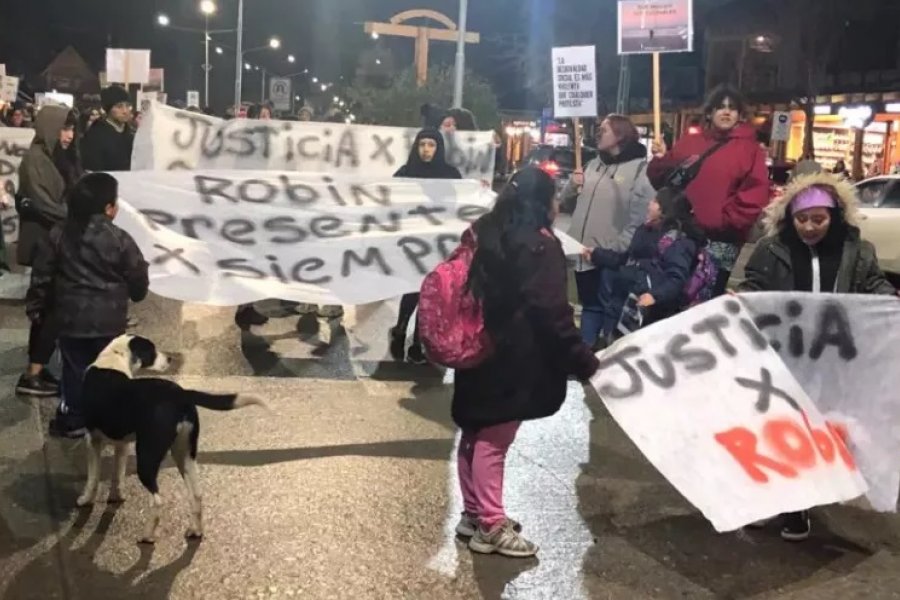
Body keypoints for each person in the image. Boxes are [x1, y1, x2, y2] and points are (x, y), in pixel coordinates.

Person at [738, 171, 896, 541]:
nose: (809, 227)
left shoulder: (857, 251)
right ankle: (767, 499)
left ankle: (797, 505)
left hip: (831, 362)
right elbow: (755, 286)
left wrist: (889, 300)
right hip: (781, 359)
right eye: (802, 219)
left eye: (819, 219)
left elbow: (872, 285)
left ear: (835, 216)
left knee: (811, 434)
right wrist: (741, 299)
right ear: (789, 217)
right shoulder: (771, 249)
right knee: (774, 428)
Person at [453, 167, 599, 558]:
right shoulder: (538, 245)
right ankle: (491, 525)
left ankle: (474, 513)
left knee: (475, 431)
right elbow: (552, 310)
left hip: (479, 346)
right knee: (494, 439)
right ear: (540, 202)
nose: (557, 204)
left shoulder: (487, 230)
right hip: (514, 357)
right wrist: (582, 359)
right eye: (553, 196)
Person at [26, 173, 149, 438]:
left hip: (70, 320)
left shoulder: (58, 234)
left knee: (73, 370)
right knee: (109, 369)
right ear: (108, 208)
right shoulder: (120, 238)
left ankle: (73, 419)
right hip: (110, 320)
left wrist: (36, 307)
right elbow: (137, 275)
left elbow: (42, 274)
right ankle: (109, 418)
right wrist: (137, 292)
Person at [648, 84, 769, 297]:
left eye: (732, 108)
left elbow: (754, 194)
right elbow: (661, 179)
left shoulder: (750, 150)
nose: (726, 112)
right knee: (668, 296)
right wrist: (660, 159)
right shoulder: (691, 142)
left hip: (718, 242)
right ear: (710, 112)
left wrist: (721, 221)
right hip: (680, 235)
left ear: (739, 115)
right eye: (720, 107)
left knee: (705, 302)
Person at [562, 114, 654, 349]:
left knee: (609, 309)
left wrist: (617, 249)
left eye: (604, 129)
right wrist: (572, 184)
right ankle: (586, 351)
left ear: (620, 135)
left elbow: (640, 217)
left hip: (610, 257)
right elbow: (564, 201)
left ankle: (606, 351)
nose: (598, 133)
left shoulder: (639, 170)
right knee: (590, 305)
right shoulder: (592, 164)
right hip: (583, 253)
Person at [15, 106, 82, 397]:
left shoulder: (59, 156)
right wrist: (80, 217)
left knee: (55, 307)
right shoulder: (35, 159)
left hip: (59, 242)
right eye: (64, 128)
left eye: (72, 129)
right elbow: (44, 204)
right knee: (49, 308)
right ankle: (32, 374)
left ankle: (38, 368)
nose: (69, 135)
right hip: (45, 244)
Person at [581, 187, 707, 336]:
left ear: (665, 209)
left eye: (655, 201)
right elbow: (627, 259)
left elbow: (676, 278)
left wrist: (654, 296)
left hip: (650, 311)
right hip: (624, 298)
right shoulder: (646, 229)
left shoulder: (678, 242)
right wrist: (597, 255)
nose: (649, 204)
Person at [389, 129, 463, 364]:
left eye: (431, 144)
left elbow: (461, 203)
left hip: (438, 244)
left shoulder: (450, 175)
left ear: (438, 148)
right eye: (422, 144)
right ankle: (401, 330)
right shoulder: (405, 173)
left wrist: (476, 187)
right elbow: (388, 199)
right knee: (413, 288)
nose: (426, 149)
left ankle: (418, 342)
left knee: (430, 293)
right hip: (412, 244)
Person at [81, 86, 134, 172]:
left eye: (128, 106)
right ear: (108, 109)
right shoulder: (96, 135)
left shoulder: (131, 134)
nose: (125, 111)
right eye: (119, 106)